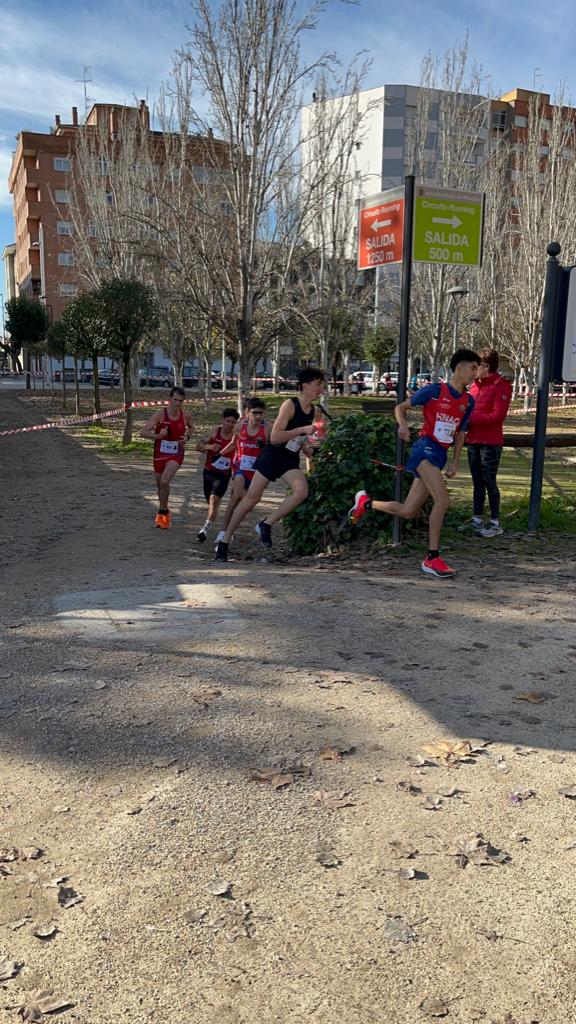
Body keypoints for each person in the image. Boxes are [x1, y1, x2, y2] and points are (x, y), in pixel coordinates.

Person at [348, 348, 480, 578]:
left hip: (439, 456)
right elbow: (400, 408)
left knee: (408, 511)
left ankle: (366, 503)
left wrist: (455, 463)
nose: (474, 374)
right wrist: (403, 425)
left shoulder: (468, 402)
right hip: (424, 450)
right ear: (459, 367)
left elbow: (461, 435)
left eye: (477, 370)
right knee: (443, 500)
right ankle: (432, 558)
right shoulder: (435, 390)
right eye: (473, 368)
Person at [215, 367, 325, 562]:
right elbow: (274, 437)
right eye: (318, 384)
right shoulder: (289, 405)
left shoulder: (313, 411)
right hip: (273, 456)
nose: (321, 389)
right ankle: (224, 541)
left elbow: (299, 437)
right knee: (250, 500)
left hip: (289, 459)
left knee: (301, 491)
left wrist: (306, 446)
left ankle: (266, 524)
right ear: (305, 385)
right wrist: (302, 430)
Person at [464, 347, 512, 537]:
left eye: (478, 366)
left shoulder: (501, 386)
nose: (475, 370)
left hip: (490, 442)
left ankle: (495, 521)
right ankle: (476, 519)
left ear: (487, 366)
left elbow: (497, 416)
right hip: (473, 439)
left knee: (489, 481)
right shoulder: (474, 386)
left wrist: (471, 419)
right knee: (477, 481)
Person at [214, 397, 269, 549]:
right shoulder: (240, 426)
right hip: (240, 469)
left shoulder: (267, 428)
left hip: (257, 472)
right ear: (247, 412)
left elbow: (272, 449)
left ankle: (230, 532)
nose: (258, 416)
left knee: (246, 504)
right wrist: (220, 455)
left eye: (261, 413)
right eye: (255, 413)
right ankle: (223, 532)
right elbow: (233, 444)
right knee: (236, 495)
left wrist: (264, 446)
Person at [140, 386, 193, 529]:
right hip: (159, 453)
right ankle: (165, 510)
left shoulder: (185, 415)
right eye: (175, 400)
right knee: (160, 487)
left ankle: (162, 512)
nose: (177, 403)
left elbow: (191, 428)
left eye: (180, 401)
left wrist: (186, 437)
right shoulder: (160, 414)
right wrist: (158, 435)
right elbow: (143, 432)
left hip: (176, 453)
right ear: (169, 399)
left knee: (164, 481)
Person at [195, 407, 240, 542]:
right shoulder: (214, 432)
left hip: (224, 474)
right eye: (228, 421)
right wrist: (209, 447)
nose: (230, 424)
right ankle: (211, 518)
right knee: (210, 501)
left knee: (214, 500)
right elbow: (198, 446)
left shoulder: (236, 436)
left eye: (233, 422)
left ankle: (205, 529)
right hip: (208, 471)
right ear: (222, 420)